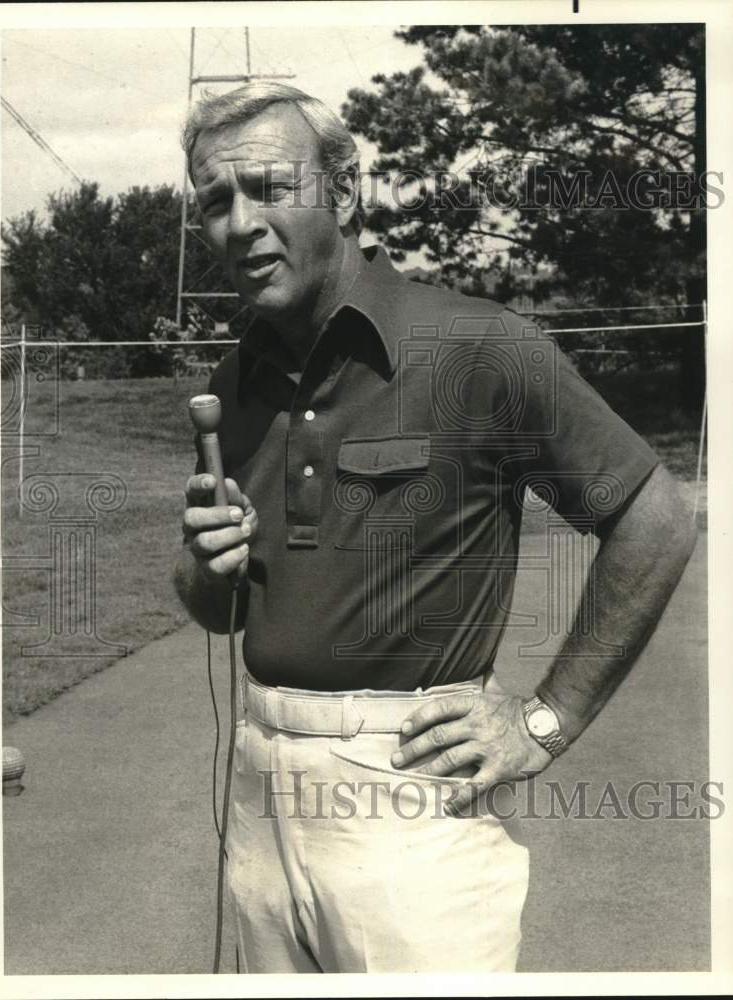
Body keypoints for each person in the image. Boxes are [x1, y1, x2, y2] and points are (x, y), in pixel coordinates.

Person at [173, 83, 697, 973]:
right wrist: (204, 564)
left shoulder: (476, 345)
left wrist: (546, 720)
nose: (241, 223)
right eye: (216, 201)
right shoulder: (234, 379)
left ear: (344, 193)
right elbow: (215, 609)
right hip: (260, 791)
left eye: (269, 188)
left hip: (412, 797)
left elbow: (657, 515)